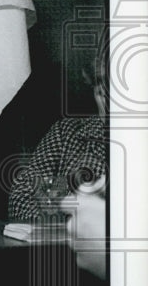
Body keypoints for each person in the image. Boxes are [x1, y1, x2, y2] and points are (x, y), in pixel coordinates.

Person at [7, 51, 108, 221]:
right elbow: (22, 194)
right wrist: (64, 223)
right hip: (67, 242)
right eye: (101, 93)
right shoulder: (67, 133)